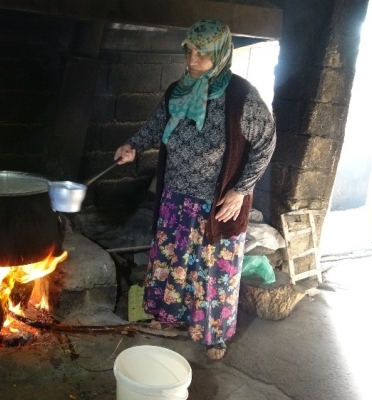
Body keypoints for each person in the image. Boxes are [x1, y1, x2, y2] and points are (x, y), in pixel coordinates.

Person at [114, 19, 276, 360]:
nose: (192, 60)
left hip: (217, 203)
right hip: (175, 197)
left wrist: (241, 190)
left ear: (220, 54)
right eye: (188, 51)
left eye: (202, 54)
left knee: (213, 271)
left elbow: (266, 143)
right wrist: (133, 145)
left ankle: (214, 335)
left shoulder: (241, 97)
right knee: (171, 261)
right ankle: (168, 316)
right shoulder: (178, 90)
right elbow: (156, 126)